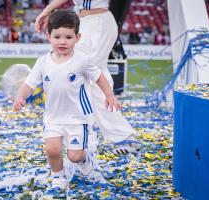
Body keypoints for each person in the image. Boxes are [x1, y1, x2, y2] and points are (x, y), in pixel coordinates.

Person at [13, 9, 121, 193]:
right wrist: (20, 96)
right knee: (52, 150)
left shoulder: (82, 61)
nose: (62, 41)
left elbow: (99, 77)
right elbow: (29, 83)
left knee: (75, 156)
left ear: (77, 38)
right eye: (57, 36)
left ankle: (85, 160)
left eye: (68, 37)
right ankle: (58, 177)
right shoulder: (43, 62)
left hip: (78, 118)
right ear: (49, 36)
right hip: (53, 118)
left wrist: (109, 95)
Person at [35, 0, 137, 154]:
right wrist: (46, 10)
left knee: (83, 75)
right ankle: (118, 136)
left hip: (99, 22)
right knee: (92, 77)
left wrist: (47, 10)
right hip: (83, 21)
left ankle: (86, 139)